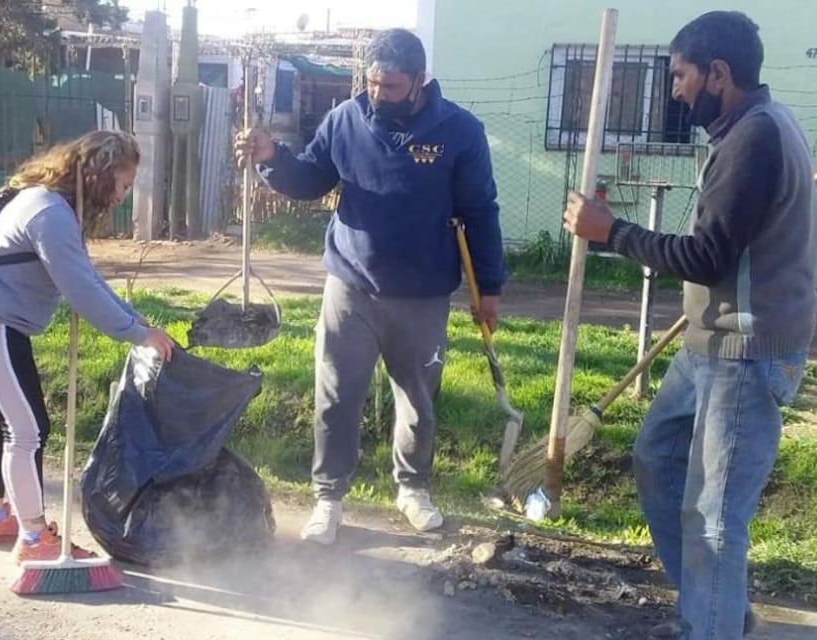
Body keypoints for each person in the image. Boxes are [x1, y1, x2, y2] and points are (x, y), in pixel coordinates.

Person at [563, 11, 814, 639]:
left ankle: (711, 625)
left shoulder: (757, 137)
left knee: (714, 516)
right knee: (657, 456)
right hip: (711, 341)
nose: (673, 90)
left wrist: (611, 232)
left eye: (679, 76)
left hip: (745, 351)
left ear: (719, 74)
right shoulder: (744, 129)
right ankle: (716, 610)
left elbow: (707, 255)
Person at [235, 28, 507, 545]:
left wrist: (488, 288)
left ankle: (413, 490)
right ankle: (329, 499)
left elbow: (480, 212)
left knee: (419, 400)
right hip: (351, 287)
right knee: (336, 397)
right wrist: (273, 156)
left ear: (420, 81)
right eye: (373, 83)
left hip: (424, 294)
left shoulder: (460, 131)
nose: (378, 94)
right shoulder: (345, 120)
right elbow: (312, 178)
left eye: (392, 86)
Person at [0, 130, 175, 564]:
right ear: (101, 175)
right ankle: (35, 539)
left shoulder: (50, 204)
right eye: (123, 185)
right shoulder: (50, 213)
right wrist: (137, 334)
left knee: (4, 421)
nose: (123, 197)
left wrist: (134, 318)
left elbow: (85, 277)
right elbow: (81, 292)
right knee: (25, 429)